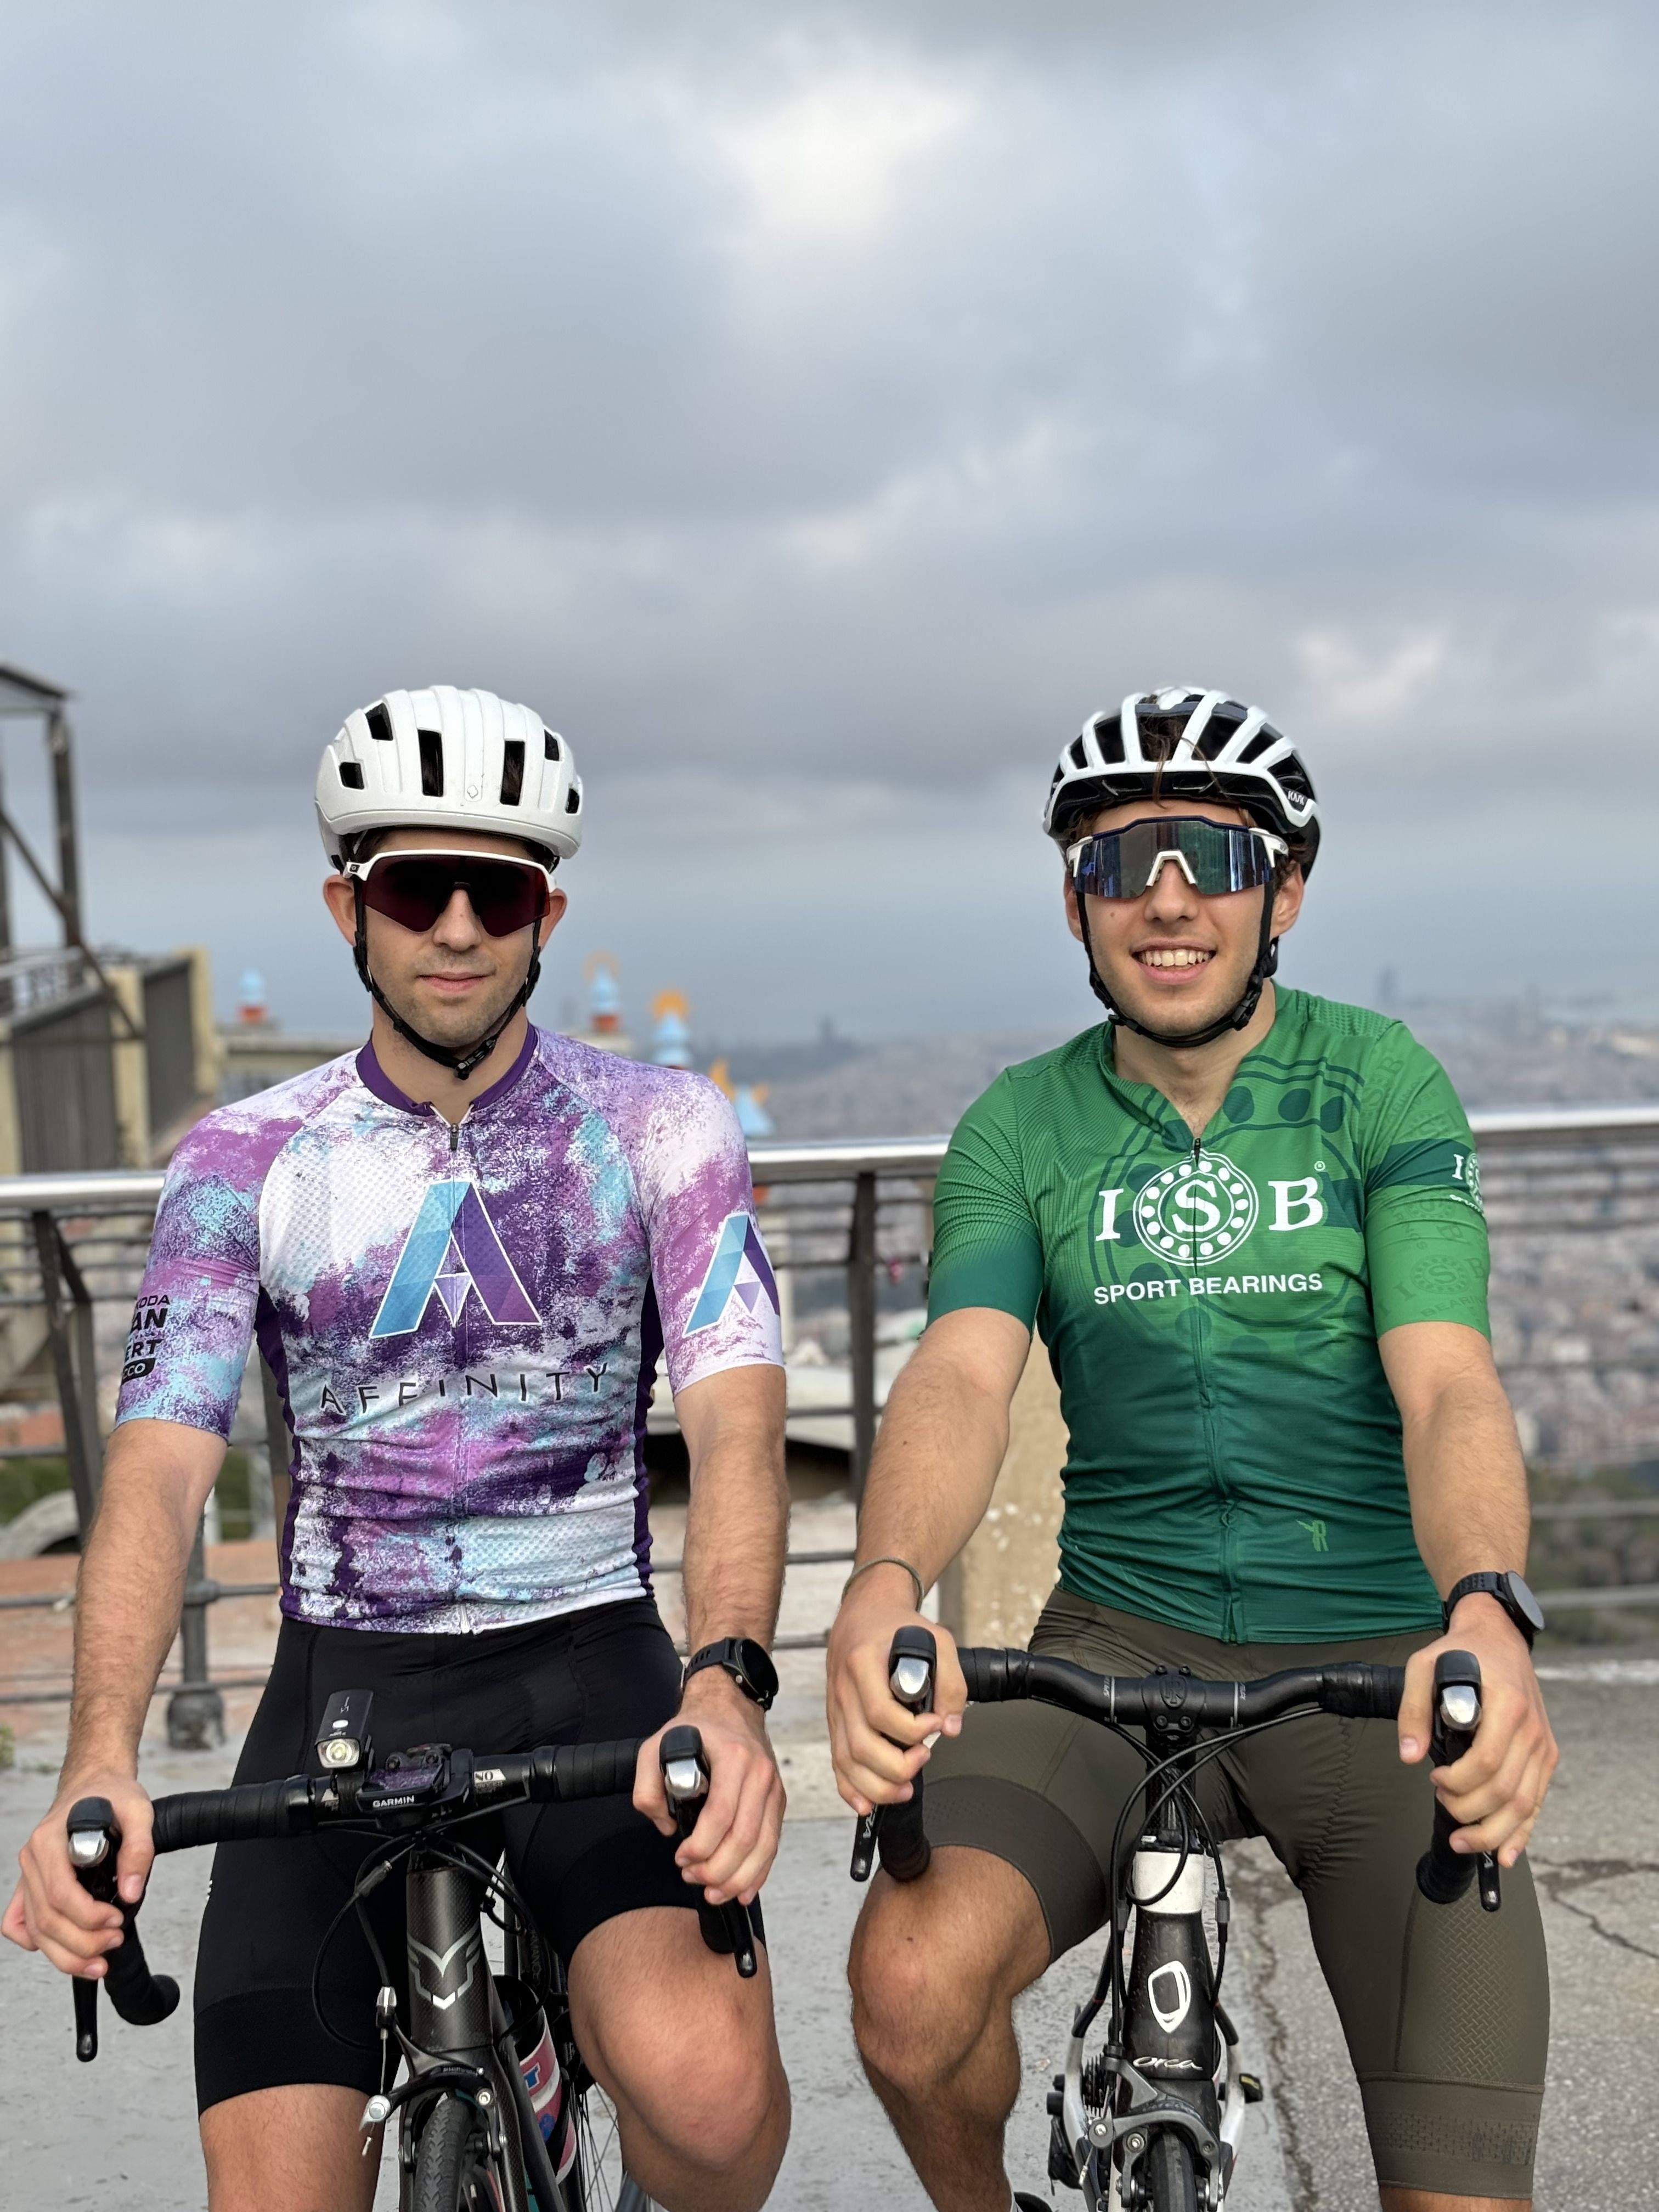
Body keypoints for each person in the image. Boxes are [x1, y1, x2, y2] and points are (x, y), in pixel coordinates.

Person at [5, 686, 792, 2212]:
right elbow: (161, 1466)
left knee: (708, 2103)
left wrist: (730, 1677)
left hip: (589, 1653)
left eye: (492, 889)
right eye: (406, 886)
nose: (451, 925)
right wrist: (98, 1761)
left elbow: (741, 1422)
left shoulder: (662, 1125)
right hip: (344, 1680)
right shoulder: (241, 1162)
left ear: (545, 911)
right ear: (343, 907)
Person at [828, 687, 1554, 2212]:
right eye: (1118, 859)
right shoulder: (1019, 1127)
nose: (1166, 898)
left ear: (1284, 889)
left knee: (1468, 2189)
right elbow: (964, 1371)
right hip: (1115, 1643)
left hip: (1373, 1655)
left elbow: (1447, 1382)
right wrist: (884, 1579)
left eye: (1212, 856)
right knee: (907, 1990)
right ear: (1076, 902)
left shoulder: (1380, 1082)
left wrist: (1486, 1604)